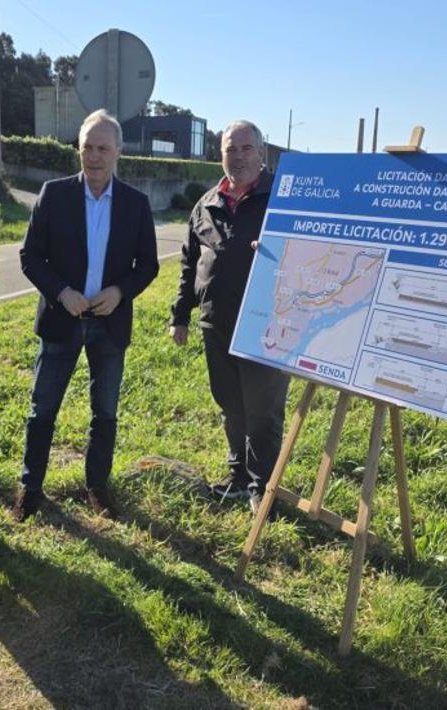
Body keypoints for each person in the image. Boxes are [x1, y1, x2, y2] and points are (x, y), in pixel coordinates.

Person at [12, 109, 159, 521]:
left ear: (118, 152)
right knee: (43, 410)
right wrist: (61, 292)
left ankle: (96, 487)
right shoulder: (54, 194)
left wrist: (119, 291)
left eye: (103, 148)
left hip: (109, 325)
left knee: (105, 411)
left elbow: (147, 265)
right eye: (87, 148)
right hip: (62, 321)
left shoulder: (135, 204)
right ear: (78, 150)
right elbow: (30, 256)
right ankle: (30, 488)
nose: (94, 157)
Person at [168, 120, 289, 513]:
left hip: (265, 323)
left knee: (263, 410)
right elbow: (190, 264)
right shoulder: (207, 204)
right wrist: (180, 315)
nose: (237, 157)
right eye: (229, 149)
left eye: (246, 148)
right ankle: (238, 476)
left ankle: (262, 487)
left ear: (262, 152)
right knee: (230, 404)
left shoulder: (282, 199)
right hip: (215, 321)